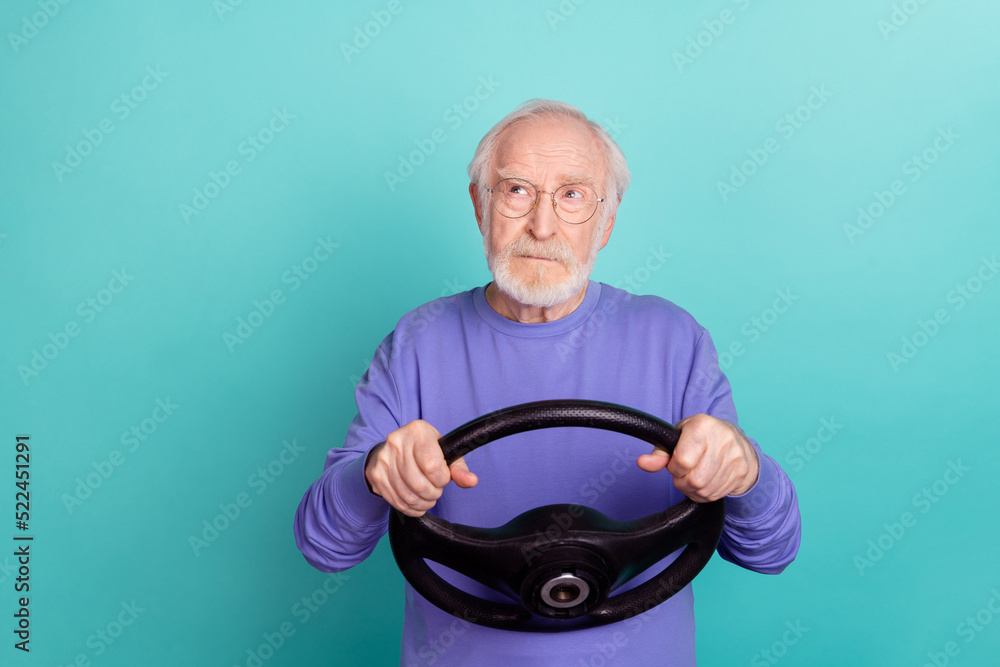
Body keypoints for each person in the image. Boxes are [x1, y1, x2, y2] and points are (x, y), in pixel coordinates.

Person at [294, 99, 801, 665]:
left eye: (573, 195)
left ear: (607, 221)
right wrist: (374, 473)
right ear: (479, 206)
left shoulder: (673, 338)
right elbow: (325, 547)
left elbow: (772, 551)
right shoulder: (417, 342)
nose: (542, 225)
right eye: (516, 191)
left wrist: (745, 469)